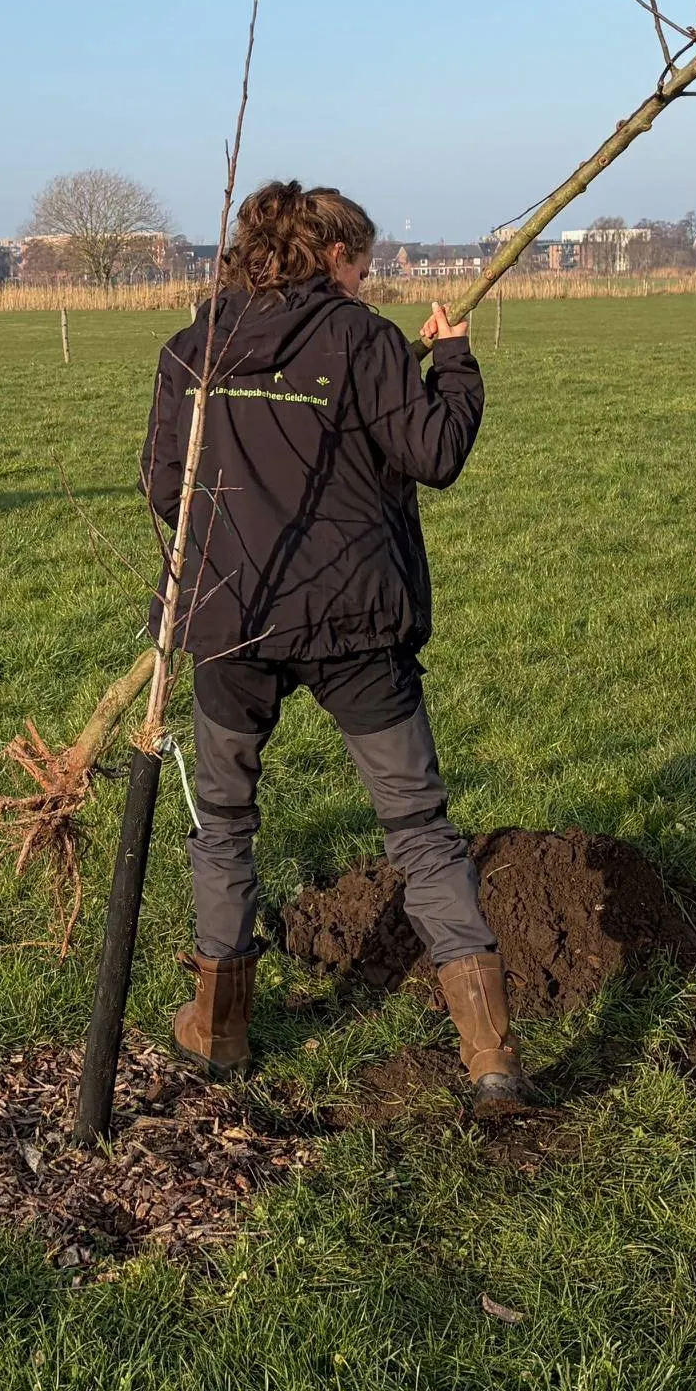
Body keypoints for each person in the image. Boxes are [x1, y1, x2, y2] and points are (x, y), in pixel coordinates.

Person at [141, 180, 520, 1098]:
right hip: (354, 624)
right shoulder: (362, 341)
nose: (369, 284)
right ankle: (491, 1054)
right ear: (332, 259)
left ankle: (219, 1030)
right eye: (364, 267)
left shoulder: (195, 348)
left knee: (223, 827)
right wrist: (457, 365)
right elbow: (437, 453)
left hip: (228, 619)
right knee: (421, 831)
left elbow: (164, 486)